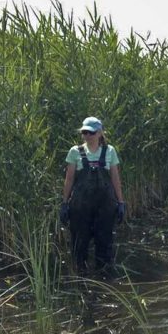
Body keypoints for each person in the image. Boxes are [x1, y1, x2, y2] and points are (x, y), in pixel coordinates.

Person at [60, 116, 126, 273]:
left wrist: (121, 202)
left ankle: (104, 278)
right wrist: (64, 203)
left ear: (100, 133)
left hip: (105, 207)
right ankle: (81, 277)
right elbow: (69, 179)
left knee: (104, 243)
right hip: (80, 207)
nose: (87, 136)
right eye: (84, 132)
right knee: (80, 243)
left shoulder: (110, 151)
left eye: (90, 132)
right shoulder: (75, 152)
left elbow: (115, 178)